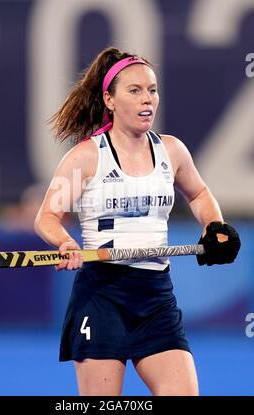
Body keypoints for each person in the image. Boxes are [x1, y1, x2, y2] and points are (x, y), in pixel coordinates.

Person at [34, 47, 241, 396]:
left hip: (156, 296)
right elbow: (47, 217)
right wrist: (65, 243)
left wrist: (214, 226)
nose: (148, 100)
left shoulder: (172, 151)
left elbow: (200, 194)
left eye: (153, 89)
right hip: (101, 295)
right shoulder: (86, 157)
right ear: (109, 100)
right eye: (135, 91)